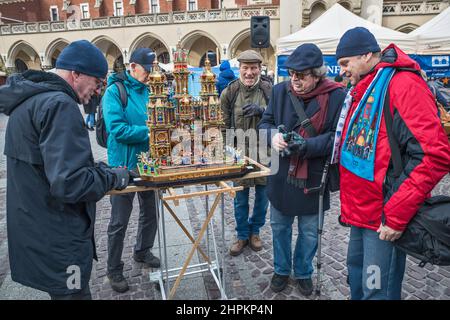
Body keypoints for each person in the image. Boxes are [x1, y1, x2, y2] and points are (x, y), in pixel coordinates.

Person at [0, 40, 131, 300]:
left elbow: (50, 169)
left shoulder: (29, 101)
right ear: (76, 74)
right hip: (59, 237)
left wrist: (94, 168)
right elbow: (71, 183)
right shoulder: (60, 105)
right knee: (75, 294)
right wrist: (113, 176)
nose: (97, 91)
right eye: (97, 82)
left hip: (38, 233)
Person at [334, 27, 450, 300]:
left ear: (365, 54)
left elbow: (434, 155)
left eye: (344, 63)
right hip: (362, 212)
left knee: (376, 289)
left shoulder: (403, 85)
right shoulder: (366, 87)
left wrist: (396, 216)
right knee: (359, 281)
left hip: (384, 216)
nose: (341, 71)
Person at [258, 43, 346, 296]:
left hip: (314, 178)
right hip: (282, 176)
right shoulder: (279, 91)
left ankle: (304, 271)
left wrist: (306, 145)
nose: (294, 80)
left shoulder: (336, 96)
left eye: (301, 75)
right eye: (292, 73)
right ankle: (281, 270)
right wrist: (272, 136)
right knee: (280, 227)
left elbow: (335, 138)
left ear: (317, 75)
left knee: (309, 232)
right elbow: (266, 122)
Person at [102, 47, 160, 293]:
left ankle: (143, 250)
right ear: (133, 67)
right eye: (147, 70)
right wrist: (151, 131)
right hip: (123, 166)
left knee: (151, 212)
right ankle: (114, 268)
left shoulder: (149, 90)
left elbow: (160, 118)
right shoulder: (114, 92)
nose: (150, 74)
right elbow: (118, 130)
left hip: (149, 163)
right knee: (119, 220)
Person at [220, 50, 272, 256]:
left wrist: (264, 112)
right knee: (240, 198)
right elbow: (223, 126)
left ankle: (255, 232)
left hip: (265, 153)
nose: (249, 72)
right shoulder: (229, 92)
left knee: (263, 197)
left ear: (260, 68)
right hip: (238, 154)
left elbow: (280, 118)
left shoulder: (270, 91)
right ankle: (242, 235)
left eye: (253, 68)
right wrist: (227, 152)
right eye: (245, 68)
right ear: (239, 69)